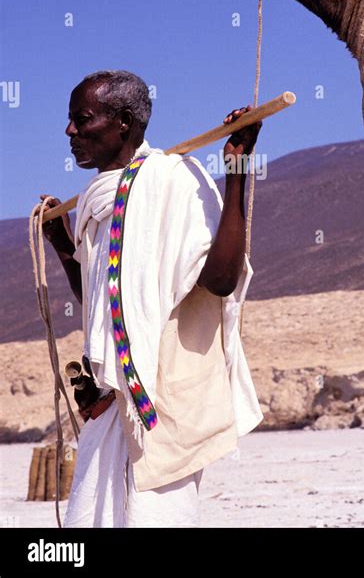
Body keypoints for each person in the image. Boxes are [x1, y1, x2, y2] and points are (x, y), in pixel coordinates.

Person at [41, 69, 264, 527]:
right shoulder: (93, 202)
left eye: (81, 119)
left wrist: (236, 172)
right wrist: (63, 245)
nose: (70, 131)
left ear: (123, 122)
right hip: (108, 404)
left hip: (162, 401)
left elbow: (220, 280)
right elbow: (101, 303)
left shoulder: (174, 180)